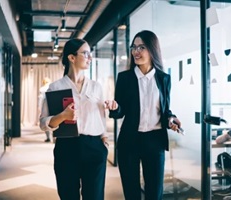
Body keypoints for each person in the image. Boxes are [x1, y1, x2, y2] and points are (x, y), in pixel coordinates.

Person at [105, 30, 182, 200]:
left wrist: (171, 119)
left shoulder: (164, 79)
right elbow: (120, 111)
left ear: (153, 49)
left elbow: (165, 110)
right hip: (129, 141)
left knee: (154, 193)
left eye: (142, 47)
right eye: (134, 47)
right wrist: (115, 107)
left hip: (155, 141)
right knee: (131, 193)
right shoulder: (125, 78)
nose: (136, 52)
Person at [39, 38, 108, 200]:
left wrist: (104, 142)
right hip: (66, 147)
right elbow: (43, 123)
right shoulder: (56, 87)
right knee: (68, 195)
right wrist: (62, 116)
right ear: (72, 58)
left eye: (90, 54)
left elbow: (101, 118)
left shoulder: (96, 87)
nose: (89, 58)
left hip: (94, 147)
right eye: (85, 53)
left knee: (95, 197)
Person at [38, 77, 52, 142]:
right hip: (51, 106)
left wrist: (39, 107)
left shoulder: (42, 89)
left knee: (46, 121)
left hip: (45, 106)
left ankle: (48, 137)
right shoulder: (52, 87)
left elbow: (40, 99)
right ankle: (53, 138)